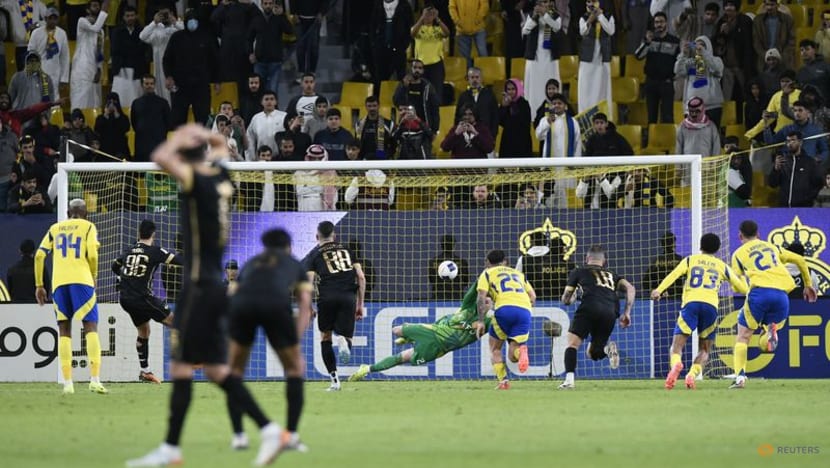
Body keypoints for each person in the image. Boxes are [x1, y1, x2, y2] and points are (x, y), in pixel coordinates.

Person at [126, 125, 284, 467]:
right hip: (213, 286)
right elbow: (222, 148)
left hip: (198, 287)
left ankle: (170, 448)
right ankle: (271, 430)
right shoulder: (222, 180)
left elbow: (159, 157)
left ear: (188, 161)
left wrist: (183, 133)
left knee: (183, 367)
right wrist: (205, 137)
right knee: (213, 370)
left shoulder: (197, 183)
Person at [225, 229, 312, 453]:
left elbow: (231, 295)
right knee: (295, 369)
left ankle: (239, 436)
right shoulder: (294, 264)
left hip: (243, 306)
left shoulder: (251, 263)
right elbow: (305, 305)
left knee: (234, 372)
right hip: (275, 305)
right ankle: (291, 436)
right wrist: (296, 339)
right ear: (288, 246)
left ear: (264, 245)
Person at [651, 234, 748, 390]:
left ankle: (676, 365)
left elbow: (674, 275)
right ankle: (691, 375)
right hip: (710, 307)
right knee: (704, 349)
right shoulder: (722, 265)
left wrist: (659, 290)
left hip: (691, 304)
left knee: (677, 347)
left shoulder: (690, 260)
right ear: (717, 249)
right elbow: (743, 289)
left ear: (700, 246)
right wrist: (742, 277)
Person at [729, 220, 817, 389]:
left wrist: (745, 290)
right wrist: (807, 284)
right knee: (766, 339)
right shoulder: (772, 247)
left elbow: (735, 282)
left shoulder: (738, 254)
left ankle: (740, 377)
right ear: (759, 234)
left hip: (759, 292)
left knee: (743, 337)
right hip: (782, 295)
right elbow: (799, 259)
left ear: (740, 236)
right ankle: (770, 332)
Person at [350, 283, 493, 381]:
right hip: (433, 332)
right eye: (483, 300)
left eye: (488, 302)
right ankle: (408, 338)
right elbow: (476, 288)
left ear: (492, 305)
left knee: (403, 358)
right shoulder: (468, 307)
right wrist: (486, 276)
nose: (485, 303)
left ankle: (367, 368)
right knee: (397, 330)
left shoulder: (489, 321)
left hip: (440, 349)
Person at [33, 198, 105, 394]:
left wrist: (40, 285)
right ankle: (95, 379)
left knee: (64, 330)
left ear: (67, 212)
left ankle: (68, 384)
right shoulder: (88, 226)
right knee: (90, 327)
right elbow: (92, 255)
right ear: (86, 214)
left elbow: (39, 255)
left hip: (59, 284)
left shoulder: (55, 228)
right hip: (82, 281)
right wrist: (94, 275)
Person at [111, 219, 182, 384]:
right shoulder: (155, 251)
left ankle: (145, 371)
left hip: (125, 298)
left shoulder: (129, 250)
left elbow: (115, 265)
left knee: (144, 331)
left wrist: (120, 278)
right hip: (141, 297)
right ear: (153, 234)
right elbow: (179, 261)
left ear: (139, 234)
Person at [559, 245, 635, 389]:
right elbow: (630, 288)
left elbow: (566, 299)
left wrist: (570, 298)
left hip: (590, 306)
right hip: (611, 311)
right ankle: (607, 350)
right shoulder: (613, 275)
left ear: (587, 259)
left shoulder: (579, 271)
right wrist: (627, 312)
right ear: (604, 261)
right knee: (593, 353)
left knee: (572, 344)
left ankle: (569, 381)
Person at [304, 221, 366, 391]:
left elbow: (308, 283)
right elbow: (361, 277)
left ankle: (334, 381)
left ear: (317, 237)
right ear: (334, 235)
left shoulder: (314, 255)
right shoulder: (347, 250)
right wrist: (360, 304)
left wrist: (309, 307)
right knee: (347, 338)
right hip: (348, 296)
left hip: (326, 298)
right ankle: (343, 340)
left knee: (325, 337)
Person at [472, 249, 535, 390]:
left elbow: (481, 297)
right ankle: (521, 352)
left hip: (504, 309)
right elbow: (533, 297)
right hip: (524, 310)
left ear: (488, 262)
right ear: (504, 261)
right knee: (513, 355)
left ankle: (503, 382)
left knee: (495, 348)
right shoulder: (519, 274)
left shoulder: (487, 273)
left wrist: (481, 321)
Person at [634, 12, 680, 124]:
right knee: (651, 118)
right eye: (656, 22)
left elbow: (680, 62)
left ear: (666, 23)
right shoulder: (649, 40)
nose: (659, 24)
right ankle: (652, 140)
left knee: (668, 117)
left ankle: (668, 141)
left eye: (661, 22)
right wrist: (646, 43)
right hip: (651, 82)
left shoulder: (674, 41)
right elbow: (638, 56)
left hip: (667, 83)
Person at [522, 0, 563, 115]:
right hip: (535, 57)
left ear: (550, 3)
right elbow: (525, 30)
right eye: (540, 3)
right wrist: (535, 16)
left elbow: (556, 27)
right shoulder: (532, 15)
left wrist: (545, 15)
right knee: (534, 86)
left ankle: (554, 110)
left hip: (549, 57)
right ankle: (533, 113)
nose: (543, 5)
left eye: (545, 2)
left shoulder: (555, 16)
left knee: (550, 82)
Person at [674, 36, 724, 127]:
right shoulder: (689, 62)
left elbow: (717, 68)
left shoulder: (716, 60)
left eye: (702, 45)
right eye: (697, 45)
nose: (699, 47)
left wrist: (704, 53)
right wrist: (683, 54)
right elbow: (678, 71)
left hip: (711, 108)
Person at [577, 0, 615, 117]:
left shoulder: (608, 16)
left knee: (603, 89)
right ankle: (585, 116)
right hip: (587, 59)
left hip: (603, 58)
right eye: (588, 1)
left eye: (594, 1)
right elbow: (583, 31)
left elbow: (610, 30)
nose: (591, 4)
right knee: (586, 89)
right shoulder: (583, 17)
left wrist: (600, 16)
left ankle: (604, 117)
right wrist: (591, 19)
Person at [768, 131, 825, 207]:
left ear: (800, 142)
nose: (790, 143)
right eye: (788, 141)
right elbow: (772, 184)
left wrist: (808, 199)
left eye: (793, 140)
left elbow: (818, 183)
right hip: (784, 208)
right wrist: (776, 169)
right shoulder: (783, 162)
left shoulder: (810, 162)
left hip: (804, 209)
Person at [70, 0, 108, 109]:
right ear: (87, 9)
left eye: (98, 6)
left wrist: (100, 69)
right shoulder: (82, 22)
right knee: (80, 98)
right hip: (81, 67)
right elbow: (94, 27)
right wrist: (105, 11)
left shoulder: (101, 31)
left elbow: (100, 51)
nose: (97, 8)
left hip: (94, 68)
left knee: (94, 101)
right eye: (94, 6)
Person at [26, 7, 70, 99]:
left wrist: (64, 78)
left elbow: (65, 57)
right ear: (45, 19)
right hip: (39, 71)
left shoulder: (62, 34)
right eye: (50, 18)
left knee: (54, 99)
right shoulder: (36, 33)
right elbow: (31, 53)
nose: (53, 21)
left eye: (55, 18)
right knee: (37, 98)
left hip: (55, 72)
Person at [516, 232, 574, 301]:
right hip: (557, 298)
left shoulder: (523, 259)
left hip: (531, 298)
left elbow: (517, 278)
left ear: (532, 242)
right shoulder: (558, 261)